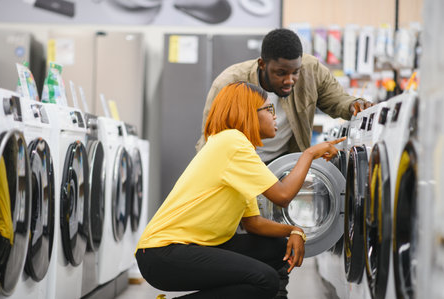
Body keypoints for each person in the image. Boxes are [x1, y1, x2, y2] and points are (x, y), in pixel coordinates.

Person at [135, 82, 345, 299]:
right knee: (265, 281)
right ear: (249, 113)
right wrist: (308, 154)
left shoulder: (236, 147)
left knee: (276, 249)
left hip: (187, 248)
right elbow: (283, 196)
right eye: (269, 109)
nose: (275, 117)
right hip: (163, 253)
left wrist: (294, 231)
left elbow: (253, 223)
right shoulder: (233, 143)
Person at [196, 28, 372, 164]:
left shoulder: (311, 70)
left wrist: (355, 105)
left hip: (284, 162)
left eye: (295, 72)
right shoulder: (231, 83)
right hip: (240, 164)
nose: (289, 80)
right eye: (280, 73)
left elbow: (338, 100)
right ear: (262, 64)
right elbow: (211, 139)